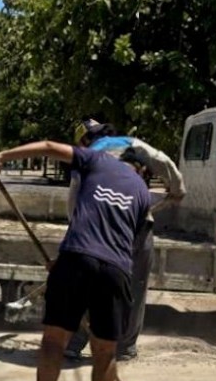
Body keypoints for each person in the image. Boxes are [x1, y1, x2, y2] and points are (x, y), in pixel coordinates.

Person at [0, 139, 150, 381]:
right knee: (104, 351)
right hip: (115, 271)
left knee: (54, 341)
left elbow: (47, 146)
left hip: (76, 260)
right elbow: (125, 243)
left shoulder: (97, 160)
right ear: (140, 170)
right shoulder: (142, 192)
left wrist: (1, 154)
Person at [64, 119, 186, 362]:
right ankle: (126, 347)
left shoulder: (85, 156)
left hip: (98, 230)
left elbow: (75, 198)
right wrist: (177, 188)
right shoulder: (130, 144)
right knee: (135, 288)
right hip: (136, 227)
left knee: (85, 283)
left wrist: (76, 231)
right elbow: (162, 160)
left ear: (84, 140)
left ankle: (74, 342)